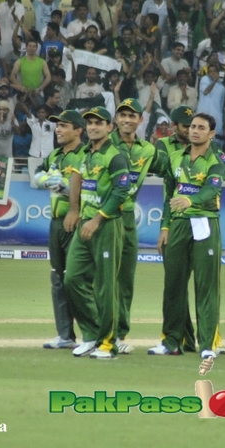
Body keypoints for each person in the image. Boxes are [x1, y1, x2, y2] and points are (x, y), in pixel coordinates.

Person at [148, 112, 225, 359]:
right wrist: (165, 227)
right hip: (179, 225)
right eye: (192, 126)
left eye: (201, 127)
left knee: (206, 286)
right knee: (173, 285)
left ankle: (207, 345)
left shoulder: (216, 160)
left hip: (205, 223)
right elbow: (169, 195)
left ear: (211, 134)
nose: (194, 131)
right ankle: (171, 341)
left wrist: (190, 199)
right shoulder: (175, 158)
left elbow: (211, 189)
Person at [65, 106, 130, 360]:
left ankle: (108, 342)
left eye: (98, 123)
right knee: (72, 279)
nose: (93, 127)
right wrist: (75, 210)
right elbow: (78, 180)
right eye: (90, 123)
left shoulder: (115, 156)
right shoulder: (86, 153)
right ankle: (91, 334)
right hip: (85, 222)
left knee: (105, 286)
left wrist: (97, 219)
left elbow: (120, 192)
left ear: (109, 127)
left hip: (106, 225)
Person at [110, 98, 168, 354]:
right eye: (123, 115)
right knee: (98, 278)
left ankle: (119, 334)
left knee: (125, 280)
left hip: (127, 219)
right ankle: (96, 332)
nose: (127, 120)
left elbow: (173, 170)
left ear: (140, 121)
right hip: (102, 216)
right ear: (116, 119)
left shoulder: (147, 150)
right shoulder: (103, 144)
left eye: (132, 116)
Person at [35, 110, 85, 350]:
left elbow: (95, 189)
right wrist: (45, 181)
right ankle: (65, 334)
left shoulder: (85, 155)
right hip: (55, 222)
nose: (58, 130)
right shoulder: (55, 155)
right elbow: (36, 174)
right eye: (58, 126)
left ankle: (92, 335)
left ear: (78, 130)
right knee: (58, 276)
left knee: (78, 278)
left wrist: (68, 190)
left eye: (64, 126)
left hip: (77, 221)